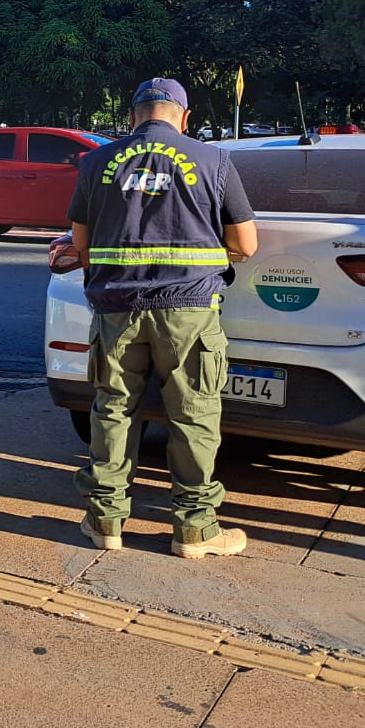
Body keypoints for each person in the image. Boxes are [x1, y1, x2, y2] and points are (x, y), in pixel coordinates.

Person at [66, 77, 258, 560]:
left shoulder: (94, 162)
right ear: (184, 117)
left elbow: (82, 247)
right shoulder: (213, 160)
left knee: (112, 411)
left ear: (134, 116)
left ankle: (105, 521)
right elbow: (246, 244)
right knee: (193, 415)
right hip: (189, 312)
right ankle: (195, 529)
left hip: (116, 310)